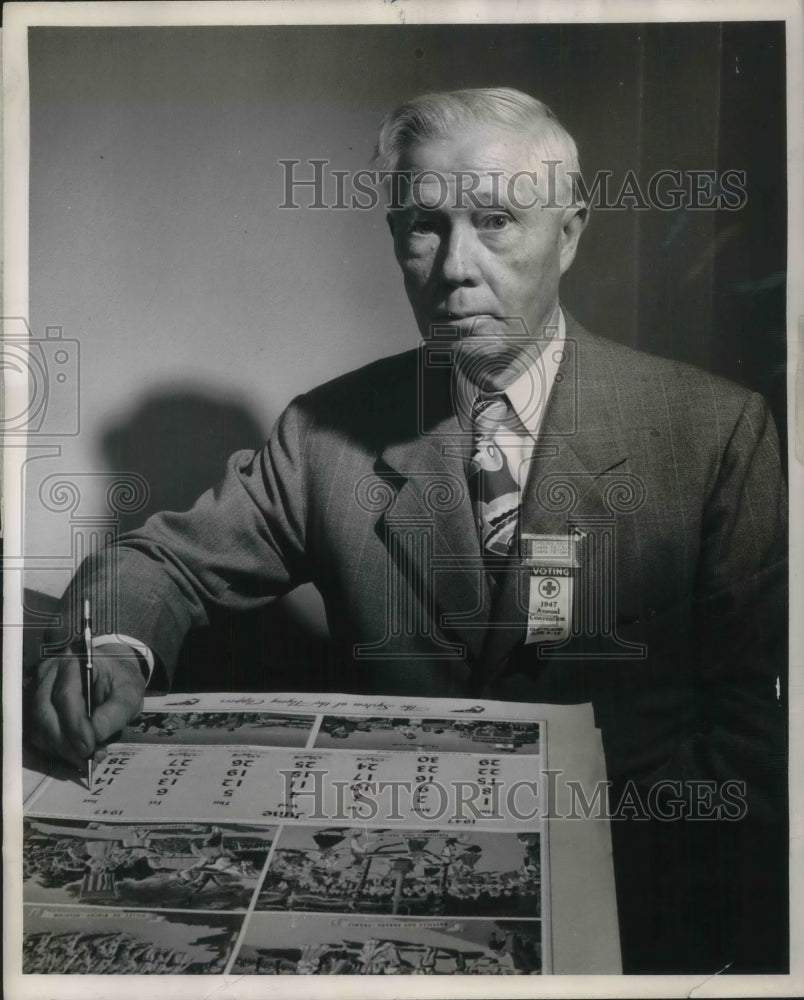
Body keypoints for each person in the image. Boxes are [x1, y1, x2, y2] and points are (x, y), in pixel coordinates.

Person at [25, 87, 787, 972]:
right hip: (375, 906)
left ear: (571, 233)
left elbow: (756, 741)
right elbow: (163, 562)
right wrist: (108, 645)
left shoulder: (716, 433)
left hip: (632, 912)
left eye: (497, 220)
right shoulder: (326, 432)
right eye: (422, 226)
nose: (455, 266)